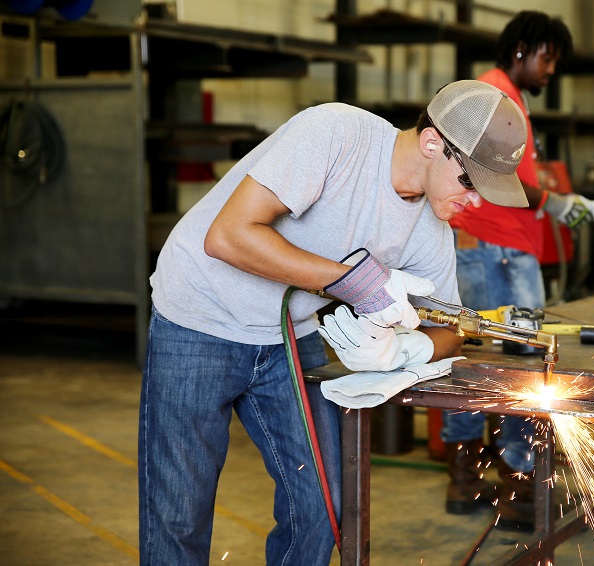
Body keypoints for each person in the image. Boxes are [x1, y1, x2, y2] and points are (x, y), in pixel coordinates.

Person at [138, 79, 530, 565]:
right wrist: (354, 282)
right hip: (198, 317)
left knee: (321, 506)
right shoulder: (336, 135)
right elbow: (228, 236)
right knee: (179, 515)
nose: (477, 203)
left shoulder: (431, 228)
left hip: (288, 337)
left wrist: (408, 350)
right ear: (433, 144)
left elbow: (452, 322)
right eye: (471, 182)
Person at [442, 11, 594, 530]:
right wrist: (559, 202)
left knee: (470, 360)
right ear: (521, 49)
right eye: (547, 58)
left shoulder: (503, 99)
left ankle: (465, 476)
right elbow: (496, 179)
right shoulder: (496, 98)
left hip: (490, 248)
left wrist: (554, 202)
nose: (550, 71)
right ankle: (518, 483)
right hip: (497, 252)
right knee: (520, 363)